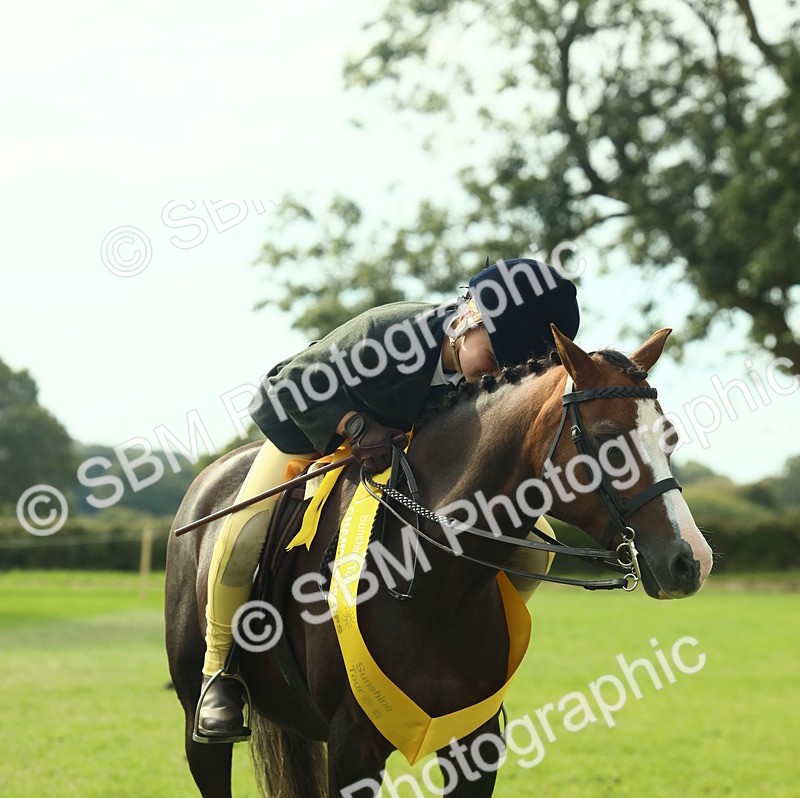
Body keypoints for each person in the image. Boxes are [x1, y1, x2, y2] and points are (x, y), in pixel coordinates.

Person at [194, 257, 580, 743]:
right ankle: (219, 670)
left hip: (401, 459)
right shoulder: (389, 333)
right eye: (496, 355)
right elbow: (287, 381)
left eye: (511, 369)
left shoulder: (485, 383)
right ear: (468, 318)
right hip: (311, 432)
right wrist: (354, 426)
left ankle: (464, 652)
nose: (497, 375)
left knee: (535, 547)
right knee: (245, 533)